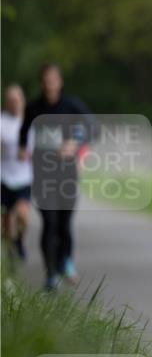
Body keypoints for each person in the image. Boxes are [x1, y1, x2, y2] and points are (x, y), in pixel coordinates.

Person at [18, 63, 93, 291]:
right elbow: (24, 130)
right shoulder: (34, 108)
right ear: (42, 83)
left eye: (53, 80)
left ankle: (65, 262)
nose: (49, 84)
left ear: (59, 82)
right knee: (49, 223)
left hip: (67, 174)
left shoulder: (71, 105)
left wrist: (76, 143)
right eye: (45, 80)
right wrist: (22, 148)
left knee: (64, 224)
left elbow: (93, 127)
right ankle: (50, 275)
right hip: (43, 175)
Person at [1, 85, 33, 262]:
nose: (14, 103)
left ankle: (20, 239)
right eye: (10, 100)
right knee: (5, 223)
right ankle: (10, 254)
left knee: (22, 215)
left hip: (24, 178)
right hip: (3, 177)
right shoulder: (2, 122)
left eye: (17, 100)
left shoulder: (30, 122)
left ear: (23, 101)